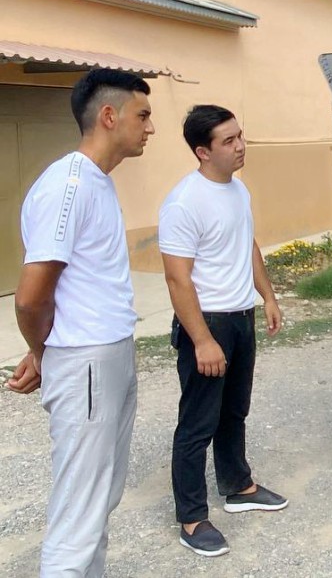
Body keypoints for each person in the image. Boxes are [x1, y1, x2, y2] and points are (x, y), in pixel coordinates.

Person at [8, 69, 154, 577]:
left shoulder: (97, 182)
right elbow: (30, 298)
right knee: (79, 514)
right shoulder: (68, 185)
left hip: (107, 352)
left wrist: (45, 350)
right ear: (109, 116)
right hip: (86, 360)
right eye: (143, 115)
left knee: (99, 499)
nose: (150, 127)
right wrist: (43, 352)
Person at [158, 105, 286, 557]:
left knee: (234, 411)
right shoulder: (184, 202)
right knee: (198, 423)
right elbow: (177, 278)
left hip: (240, 316)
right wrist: (201, 339)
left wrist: (267, 295)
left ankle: (238, 486)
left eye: (240, 136)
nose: (240, 146)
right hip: (207, 321)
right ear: (202, 151)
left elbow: (246, 243)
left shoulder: (238, 189)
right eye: (228, 141)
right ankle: (192, 518)